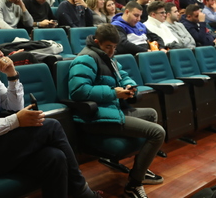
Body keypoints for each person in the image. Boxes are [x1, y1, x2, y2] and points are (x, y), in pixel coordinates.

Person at [0, 33, 102, 198]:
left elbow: (14, 106)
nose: (1, 54)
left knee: (55, 157)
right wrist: (16, 121)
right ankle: (82, 191)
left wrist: (12, 76)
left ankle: (80, 191)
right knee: (51, 126)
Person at [69, 24, 165, 198]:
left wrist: (129, 86)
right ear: (97, 42)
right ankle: (133, 185)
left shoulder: (108, 57)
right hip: (96, 117)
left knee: (151, 114)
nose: (112, 51)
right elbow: (78, 91)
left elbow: (123, 75)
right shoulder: (85, 59)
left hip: (111, 110)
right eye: (108, 46)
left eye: (115, 47)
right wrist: (114, 93)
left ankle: (140, 170)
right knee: (158, 133)